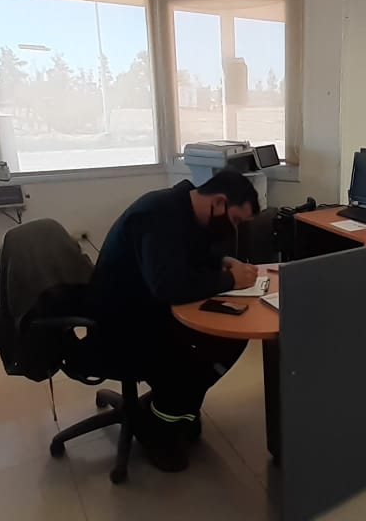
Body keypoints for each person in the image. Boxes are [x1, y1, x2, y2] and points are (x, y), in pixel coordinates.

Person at [85, 171, 262, 471]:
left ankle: (173, 407)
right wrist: (230, 279)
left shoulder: (186, 212)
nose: (234, 229)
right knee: (204, 347)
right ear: (219, 203)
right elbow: (168, 286)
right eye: (235, 220)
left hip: (149, 309)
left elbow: (185, 260)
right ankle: (158, 426)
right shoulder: (157, 214)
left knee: (231, 336)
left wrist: (220, 263)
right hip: (122, 323)